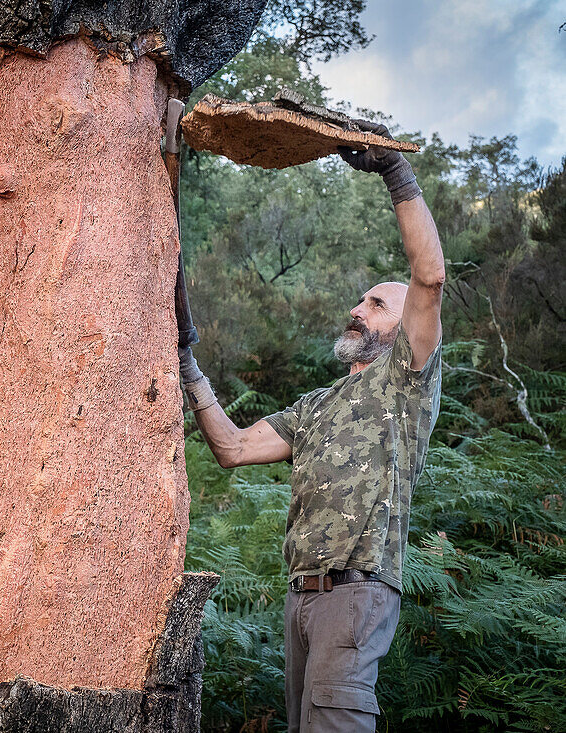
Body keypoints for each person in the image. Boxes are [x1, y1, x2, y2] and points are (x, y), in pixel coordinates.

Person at [180, 123, 445, 733]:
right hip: (302, 598)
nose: (358, 309)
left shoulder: (406, 378)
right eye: (361, 300)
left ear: (407, 325)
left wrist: (394, 173)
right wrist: (188, 364)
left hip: (356, 594)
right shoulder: (318, 404)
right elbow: (232, 447)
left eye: (377, 304)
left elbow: (428, 277)